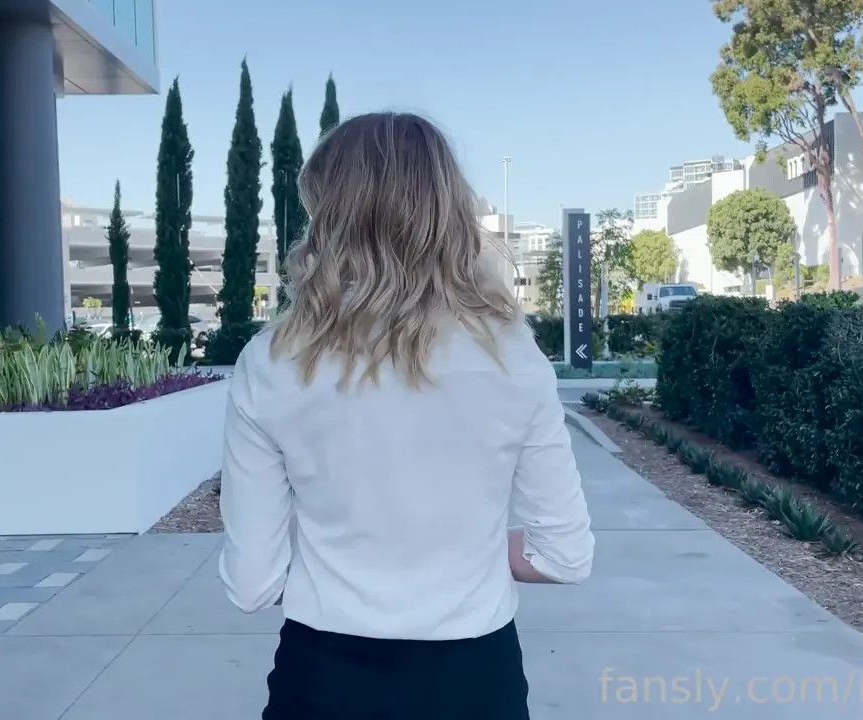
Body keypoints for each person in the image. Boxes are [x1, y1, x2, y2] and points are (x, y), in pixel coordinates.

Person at [218, 111, 594, 720]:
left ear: (330, 218)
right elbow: (565, 555)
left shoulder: (272, 361)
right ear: (449, 212)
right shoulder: (512, 356)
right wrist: (460, 546)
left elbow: (252, 584)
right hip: (476, 684)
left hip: (322, 682)